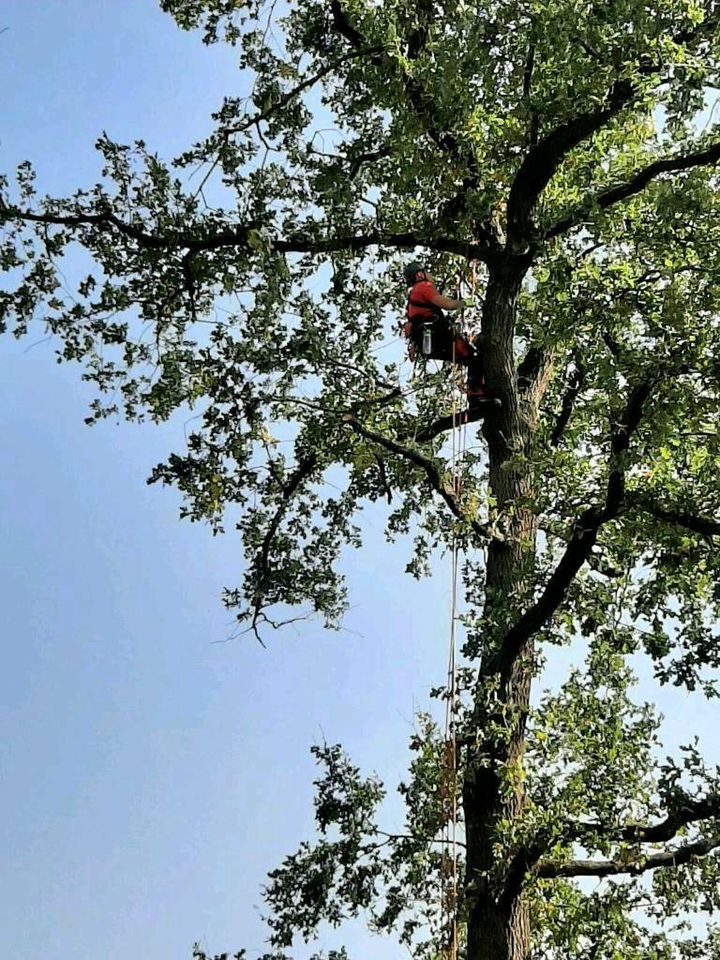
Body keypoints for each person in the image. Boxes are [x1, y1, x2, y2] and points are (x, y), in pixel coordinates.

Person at [403, 260, 490, 408]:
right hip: (437, 337)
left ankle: (479, 395)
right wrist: (462, 303)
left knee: (469, 359)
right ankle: (476, 397)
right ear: (419, 275)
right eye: (427, 272)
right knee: (474, 357)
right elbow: (446, 304)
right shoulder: (424, 287)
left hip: (429, 344)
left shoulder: (414, 296)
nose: (431, 275)